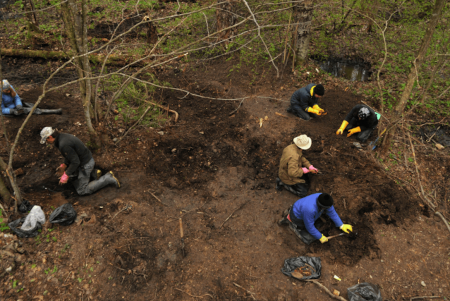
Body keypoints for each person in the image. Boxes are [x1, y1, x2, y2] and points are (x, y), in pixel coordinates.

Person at [40, 127, 120, 195]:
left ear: (50, 137)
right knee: (74, 176)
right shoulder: (62, 137)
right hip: (86, 160)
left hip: (85, 164)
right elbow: (71, 154)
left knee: (81, 190)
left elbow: (75, 162)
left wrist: (66, 174)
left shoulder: (63, 144)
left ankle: (107, 178)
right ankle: (94, 174)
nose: (47, 142)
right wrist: (65, 164)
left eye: (46, 140)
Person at [278, 193, 353, 245]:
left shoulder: (323, 198)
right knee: (305, 228)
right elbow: (309, 226)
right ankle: (291, 221)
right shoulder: (310, 209)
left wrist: (341, 225)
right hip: (297, 216)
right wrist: (320, 236)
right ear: (321, 206)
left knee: (317, 221)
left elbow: (331, 212)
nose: (329, 208)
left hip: (303, 209)